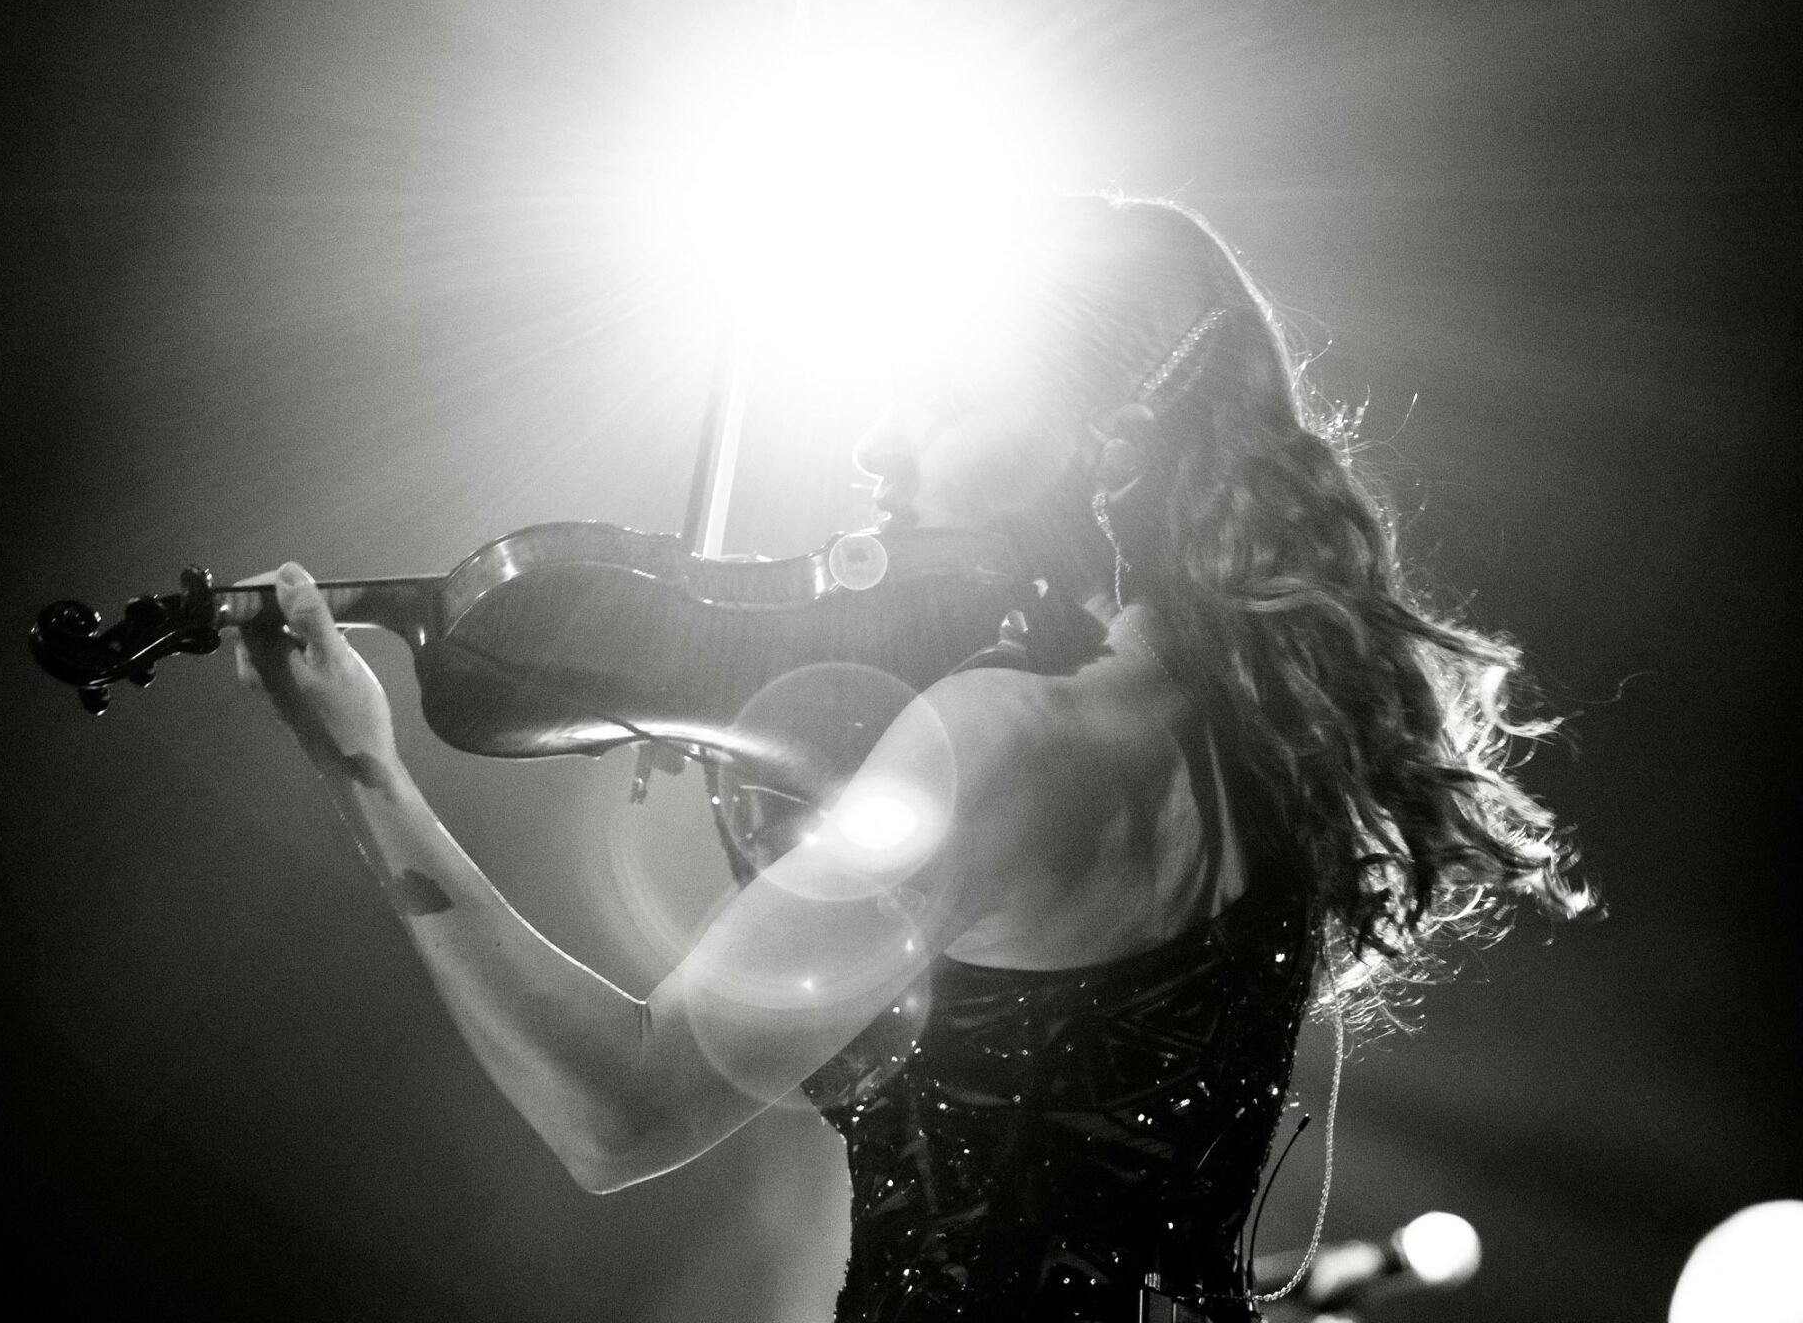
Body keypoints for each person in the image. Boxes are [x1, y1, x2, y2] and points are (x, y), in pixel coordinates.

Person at [235, 193, 1585, 1323]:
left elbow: (621, 1113)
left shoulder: (1004, 736)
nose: (878, 448)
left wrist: (365, 769)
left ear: (1109, 445)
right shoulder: (1279, 739)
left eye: (943, 407)